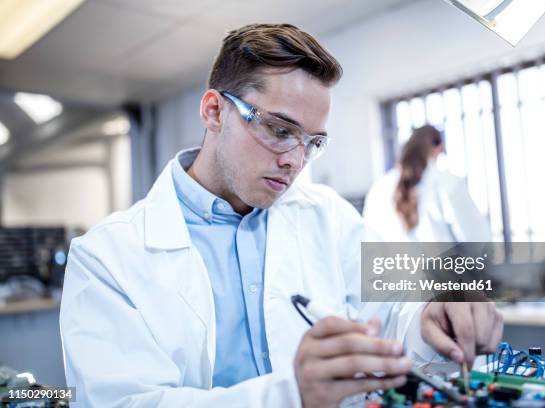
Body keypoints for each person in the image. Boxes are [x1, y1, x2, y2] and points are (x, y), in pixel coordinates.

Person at [60, 24, 502, 408]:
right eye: (279, 130)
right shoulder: (106, 257)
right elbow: (124, 401)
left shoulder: (327, 216)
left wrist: (433, 319)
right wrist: (293, 397)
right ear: (215, 111)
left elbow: (395, 314)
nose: (295, 159)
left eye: (313, 142)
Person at [363, 125, 491, 242]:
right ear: (438, 148)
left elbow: (368, 241)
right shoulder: (447, 183)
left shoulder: (378, 188)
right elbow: (477, 241)